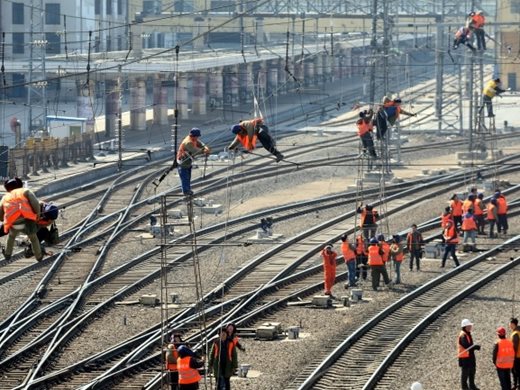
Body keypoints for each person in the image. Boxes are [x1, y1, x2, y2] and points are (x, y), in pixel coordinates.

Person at [0, 177, 43, 262]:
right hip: (27, 221)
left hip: (13, 223)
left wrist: (2, 220)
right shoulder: (25, 191)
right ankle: (39, 256)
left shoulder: (5, 197)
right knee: (33, 238)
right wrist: (37, 214)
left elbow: (0, 212)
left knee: (11, 237)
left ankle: (8, 254)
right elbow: (35, 203)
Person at [176, 128, 211, 196]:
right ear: (193, 136)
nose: (198, 138)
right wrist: (204, 151)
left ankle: (188, 190)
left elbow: (200, 143)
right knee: (185, 178)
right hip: (182, 162)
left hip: (188, 162)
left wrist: (205, 147)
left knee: (188, 177)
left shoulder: (193, 139)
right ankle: (186, 191)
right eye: (197, 136)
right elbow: (195, 151)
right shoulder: (188, 142)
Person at [458, 318, 481, 390]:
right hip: (465, 358)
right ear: (465, 327)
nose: (471, 327)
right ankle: (465, 388)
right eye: (469, 326)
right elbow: (466, 346)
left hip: (470, 356)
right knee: (465, 374)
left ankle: (472, 386)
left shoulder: (467, 334)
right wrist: (475, 347)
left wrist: (474, 347)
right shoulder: (463, 335)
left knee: (472, 371)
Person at [510, 318, 520, 390]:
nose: (509, 325)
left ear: (513, 324)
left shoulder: (515, 333)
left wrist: (512, 357)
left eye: (510, 323)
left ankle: (516, 385)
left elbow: (515, 347)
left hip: (516, 356)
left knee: (515, 371)